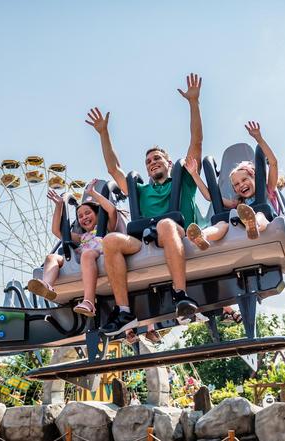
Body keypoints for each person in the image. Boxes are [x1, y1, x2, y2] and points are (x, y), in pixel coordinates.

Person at [85, 73, 204, 336]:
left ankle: (181, 295)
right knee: (112, 240)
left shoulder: (182, 181)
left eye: (157, 157)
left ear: (169, 162)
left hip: (176, 232)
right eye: (149, 160)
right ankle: (124, 312)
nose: (152, 162)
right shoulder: (141, 190)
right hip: (145, 240)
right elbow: (114, 169)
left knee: (164, 224)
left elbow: (196, 144)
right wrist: (104, 133)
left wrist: (193, 104)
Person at [183, 120, 281, 250]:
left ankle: (254, 225)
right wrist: (194, 174)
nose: (241, 185)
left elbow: (273, 163)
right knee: (222, 224)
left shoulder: (268, 190)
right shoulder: (239, 203)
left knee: (260, 215)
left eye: (244, 180)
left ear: (255, 177)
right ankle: (202, 235)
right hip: (240, 226)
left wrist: (259, 138)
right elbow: (210, 197)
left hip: (266, 223)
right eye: (236, 184)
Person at [27, 179, 118, 317]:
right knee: (51, 257)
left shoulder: (106, 228)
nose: (84, 218)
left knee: (87, 254)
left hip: (97, 255)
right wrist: (59, 206)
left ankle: (89, 301)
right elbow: (57, 231)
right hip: (78, 258)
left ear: (98, 214)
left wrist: (93, 193)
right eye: (80, 216)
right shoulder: (82, 236)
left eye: (88, 213)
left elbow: (111, 210)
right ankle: (47, 285)